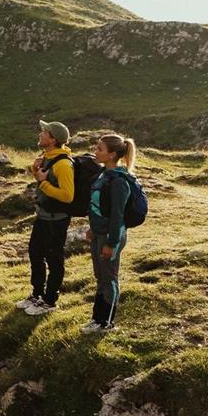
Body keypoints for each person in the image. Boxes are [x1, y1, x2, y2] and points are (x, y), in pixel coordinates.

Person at [18, 120, 75, 316]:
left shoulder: (63, 164)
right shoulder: (48, 158)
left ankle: (50, 300)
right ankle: (37, 294)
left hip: (57, 219)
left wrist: (43, 184)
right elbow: (44, 180)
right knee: (35, 253)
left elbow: (68, 196)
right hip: (43, 217)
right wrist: (36, 172)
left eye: (44, 132)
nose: (40, 134)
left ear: (53, 139)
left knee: (54, 259)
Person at [85, 131, 138, 333]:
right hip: (99, 233)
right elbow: (99, 206)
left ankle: (107, 323)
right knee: (101, 277)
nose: (95, 152)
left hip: (111, 237)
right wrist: (93, 228)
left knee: (109, 278)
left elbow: (117, 215)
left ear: (113, 154)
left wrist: (111, 242)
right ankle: (97, 319)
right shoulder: (103, 175)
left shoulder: (119, 181)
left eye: (100, 149)